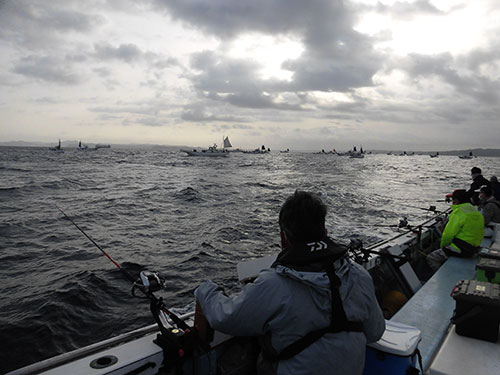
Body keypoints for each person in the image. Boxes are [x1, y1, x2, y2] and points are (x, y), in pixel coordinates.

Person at [194, 191, 385, 374]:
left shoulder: (274, 284)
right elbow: (375, 332)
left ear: (284, 238)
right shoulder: (359, 275)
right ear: (325, 232)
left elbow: (226, 317)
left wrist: (206, 290)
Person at [427, 189, 484, 271]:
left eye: (452, 200)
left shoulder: (458, 212)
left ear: (456, 201)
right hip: (474, 248)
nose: (452, 202)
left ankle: (443, 274)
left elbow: (448, 235)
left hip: (462, 249)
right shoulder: (476, 211)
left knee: (432, 258)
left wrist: (443, 247)